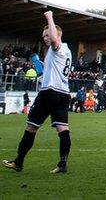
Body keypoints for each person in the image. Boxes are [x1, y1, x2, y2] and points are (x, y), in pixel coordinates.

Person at [3, 11, 73, 173]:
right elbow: (52, 68)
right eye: (44, 35)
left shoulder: (58, 47)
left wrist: (49, 17)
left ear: (56, 33)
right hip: (63, 93)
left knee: (31, 127)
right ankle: (62, 164)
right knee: (63, 128)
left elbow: (55, 39)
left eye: (47, 35)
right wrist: (42, 64)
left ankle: (18, 162)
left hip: (49, 92)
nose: (45, 38)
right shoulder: (67, 51)